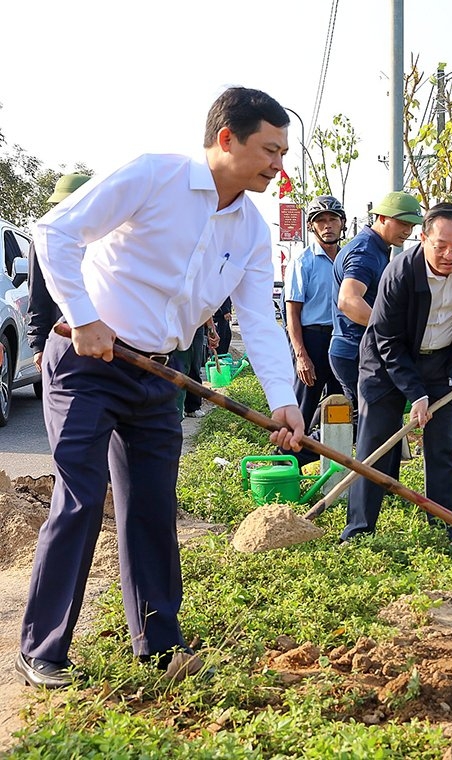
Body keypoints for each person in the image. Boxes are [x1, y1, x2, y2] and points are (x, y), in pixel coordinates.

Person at [20, 86, 305, 689]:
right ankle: (43, 649)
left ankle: (158, 643)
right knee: (81, 493)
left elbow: (257, 320)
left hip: (159, 376)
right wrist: (85, 315)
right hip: (87, 362)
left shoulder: (253, 232)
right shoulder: (154, 177)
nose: (278, 165)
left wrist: (283, 401)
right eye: (269, 149)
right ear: (227, 139)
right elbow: (53, 232)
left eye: (283, 152)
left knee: (152, 504)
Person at [341, 203, 452, 543]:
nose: (450, 255)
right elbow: (388, 341)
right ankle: (359, 532)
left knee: (442, 448)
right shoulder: (400, 273)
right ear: (423, 238)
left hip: (441, 364)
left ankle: (448, 530)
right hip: (385, 364)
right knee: (376, 445)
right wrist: (416, 394)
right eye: (441, 246)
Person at [328, 191, 423, 421]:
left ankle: (305, 447)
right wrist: (390, 331)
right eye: (402, 223)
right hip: (354, 350)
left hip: (356, 349)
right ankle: (301, 450)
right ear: (381, 218)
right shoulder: (365, 252)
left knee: (361, 419)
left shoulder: (376, 249)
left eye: (411, 225)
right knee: (368, 421)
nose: (407, 231)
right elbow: (348, 301)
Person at [283, 195, 346, 437]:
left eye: (333, 219)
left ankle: (330, 458)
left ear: (342, 223)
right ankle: (287, 457)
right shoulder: (303, 262)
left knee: (340, 404)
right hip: (312, 338)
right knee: (304, 404)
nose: (327, 225)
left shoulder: (349, 258)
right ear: (311, 226)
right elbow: (293, 312)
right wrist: (301, 355)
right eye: (321, 221)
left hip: (342, 338)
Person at [27, 173, 92, 372]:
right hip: (62, 339)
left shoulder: (109, 240)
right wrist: (38, 345)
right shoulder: (44, 241)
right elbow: (38, 296)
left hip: (105, 340)